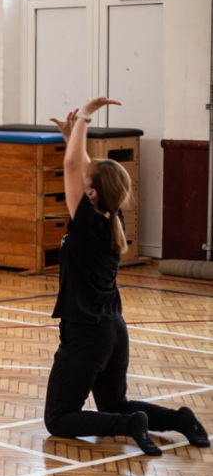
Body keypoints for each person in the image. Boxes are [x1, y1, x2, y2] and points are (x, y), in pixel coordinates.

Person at [43, 98, 209, 455]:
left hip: (87, 334)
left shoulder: (87, 225)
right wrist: (74, 135)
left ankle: (128, 425)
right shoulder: (112, 216)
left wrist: (85, 116)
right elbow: (89, 170)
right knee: (114, 401)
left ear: (91, 195)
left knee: (59, 418)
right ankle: (179, 419)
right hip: (113, 331)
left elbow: (74, 164)